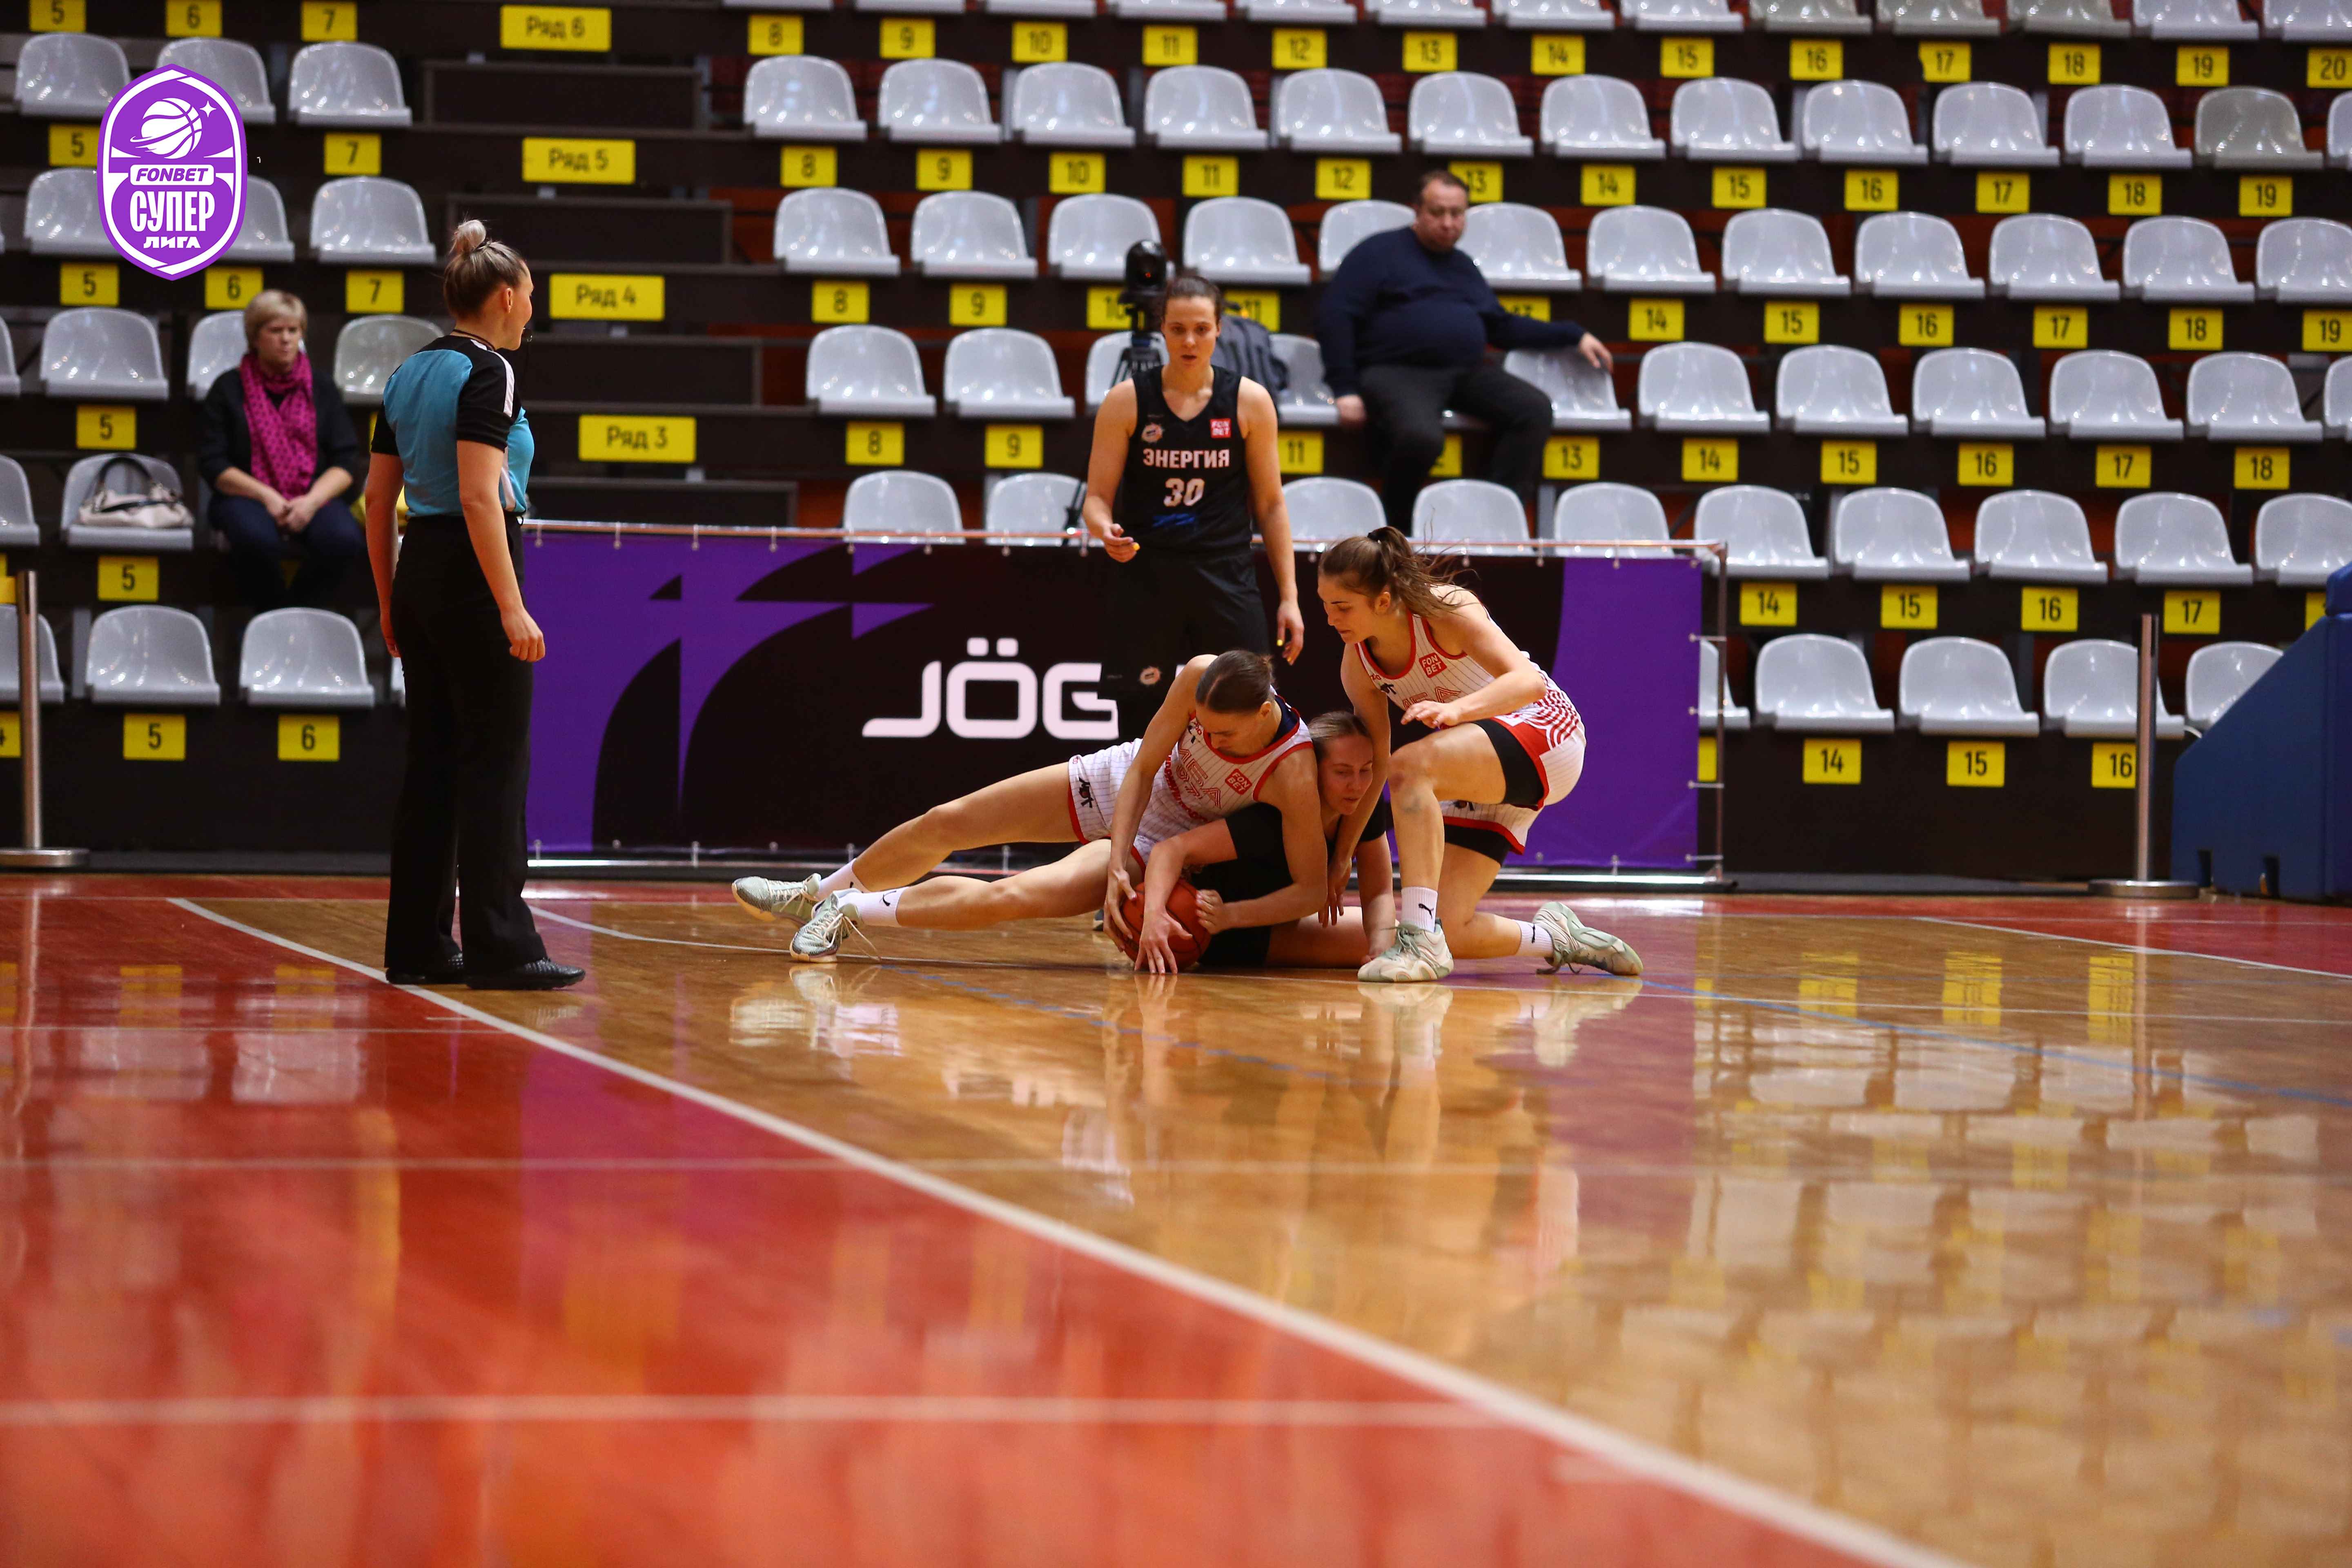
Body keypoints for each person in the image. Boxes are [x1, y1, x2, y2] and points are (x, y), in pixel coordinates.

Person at [731, 650, 1327, 964]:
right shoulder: (1200, 675)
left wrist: (1215, 910)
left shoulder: (1293, 772)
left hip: (1164, 844)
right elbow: (1146, 767)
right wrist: (1116, 853)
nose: (1211, 742)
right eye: (1205, 729)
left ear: (1264, 714)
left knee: (1011, 896)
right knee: (951, 820)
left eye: (1225, 736)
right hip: (1122, 781)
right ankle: (813, 892)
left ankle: (847, 911)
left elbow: (1312, 888)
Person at [363, 222, 582, 992]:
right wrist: (511, 606)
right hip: (474, 573)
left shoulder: (406, 372)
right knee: (495, 765)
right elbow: (479, 496)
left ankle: (418, 946)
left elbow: (377, 502)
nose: (534, 310)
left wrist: (389, 602)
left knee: (432, 765)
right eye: (532, 296)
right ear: (508, 298)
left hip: (420, 572)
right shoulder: (492, 371)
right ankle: (504, 947)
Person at [1318, 528, 1645, 984]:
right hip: (1484, 766)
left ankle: (1418, 940)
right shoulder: (1358, 664)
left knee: (1412, 767)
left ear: (1382, 600)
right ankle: (1557, 938)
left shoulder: (1445, 609)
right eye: (1325, 605)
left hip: (1547, 730)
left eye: (1341, 606)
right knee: (1452, 926)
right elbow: (1374, 767)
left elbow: (1527, 682)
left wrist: (1459, 711)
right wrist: (1343, 854)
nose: (1330, 619)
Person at [1136, 710, 1638, 978]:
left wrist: (1380, 946)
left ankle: (1554, 939)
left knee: (1422, 933)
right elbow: (1171, 851)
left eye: (1366, 771)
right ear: (1312, 770)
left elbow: (1379, 890)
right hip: (1223, 929)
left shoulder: (1364, 810)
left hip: (1265, 928)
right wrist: (1157, 915)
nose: (1357, 784)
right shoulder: (1274, 817)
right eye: (1342, 772)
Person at [1316, 170, 1615, 535]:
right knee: (1422, 438)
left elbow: (1501, 327)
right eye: (1437, 212)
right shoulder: (1377, 253)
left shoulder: (1462, 266)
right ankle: (1398, 532)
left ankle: (1494, 520)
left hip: (1465, 372)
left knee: (1534, 410)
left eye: (1457, 214)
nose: (1448, 223)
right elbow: (1336, 315)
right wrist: (1345, 387)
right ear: (1417, 210)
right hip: (1396, 371)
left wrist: (1573, 334)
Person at [1083, 272, 1306, 739]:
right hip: (1147, 573)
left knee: (1250, 713)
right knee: (1139, 728)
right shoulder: (1126, 401)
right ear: (1162, 329)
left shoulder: (1249, 401)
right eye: (1179, 329)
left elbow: (1271, 505)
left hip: (1226, 572)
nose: (1190, 341)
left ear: (1219, 329)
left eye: (1201, 329)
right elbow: (1097, 498)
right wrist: (1104, 529)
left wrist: (1289, 596)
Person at [197, 290, 369, 609]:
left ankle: (301, 612)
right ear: (255, 337)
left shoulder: (322, 387)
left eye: (294, 330)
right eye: (275, 331)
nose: (286, 340)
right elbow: (213, 463)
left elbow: (346, 460)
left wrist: (311, 502)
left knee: (344, 539)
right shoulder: (228, 389)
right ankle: (272, 616)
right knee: (256, 540)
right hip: (247, 496)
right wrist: (267, 497)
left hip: (311, 495)